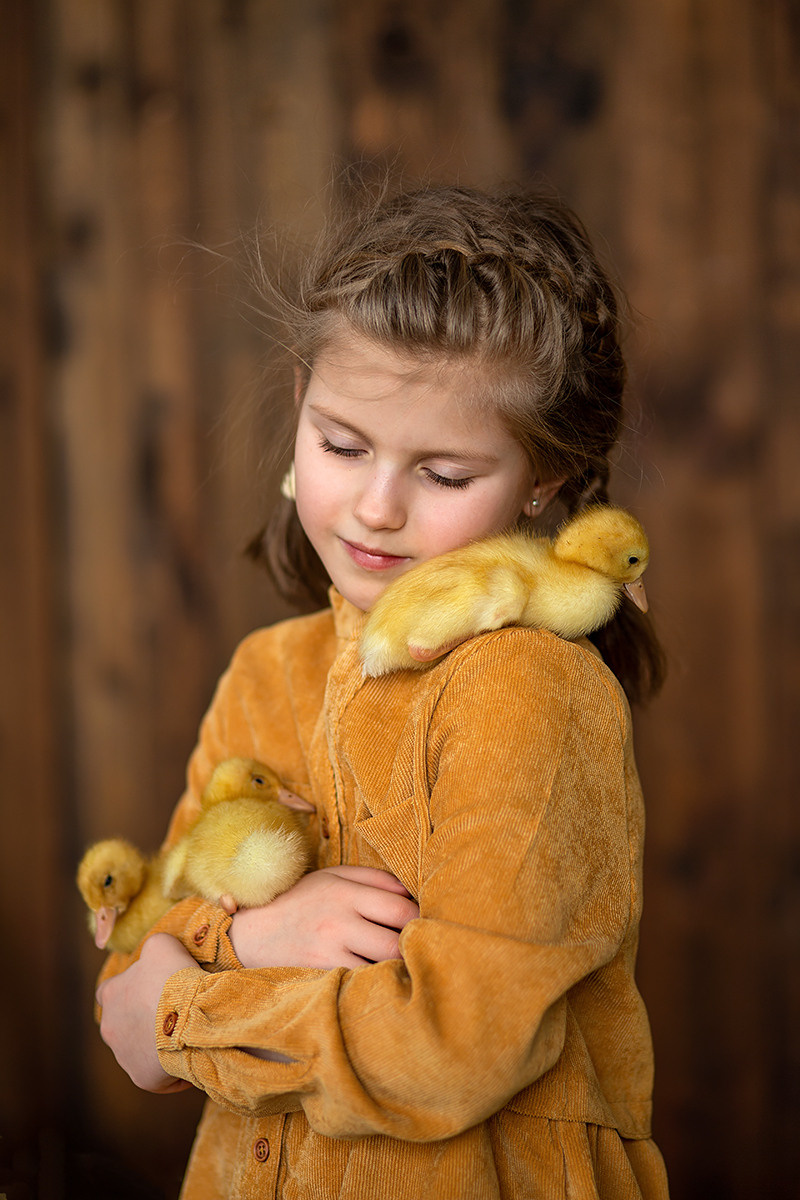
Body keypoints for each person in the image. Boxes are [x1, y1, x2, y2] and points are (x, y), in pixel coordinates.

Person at [95, 185, 669, 1199]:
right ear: (300, 406)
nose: (374, 506)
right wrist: (251, 938)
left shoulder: (527, 686)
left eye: (442, 473)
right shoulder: (265, 673)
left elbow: (450, 1049)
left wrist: (189, 1008)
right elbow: (126, 1003)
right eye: (342, 444)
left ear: (541, 482)